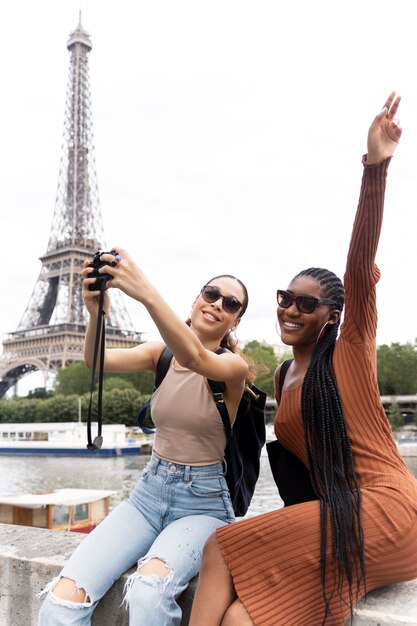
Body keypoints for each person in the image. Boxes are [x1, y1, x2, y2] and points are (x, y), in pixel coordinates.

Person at [188, 91, 417, 626]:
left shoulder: (350, 355)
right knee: (242, 616)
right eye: (284, 298)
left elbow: (360, 265)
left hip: (388, 512)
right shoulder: (286, 373)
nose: (291, 309)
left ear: (332, 316)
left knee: (222, 547)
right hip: (340, 520)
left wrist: (375, 169)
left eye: (307, 304)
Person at [37, 254, 251, 626]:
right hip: (147, 496)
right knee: (60, 603)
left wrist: (145, 292)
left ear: (235, 320)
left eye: (230, 303)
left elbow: (198, 357)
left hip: (203, 505)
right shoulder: (161, 354)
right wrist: (96, 315)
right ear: (197, 299)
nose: (217, 303)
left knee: (149, 592)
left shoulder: (233, 368)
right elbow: (95, 360)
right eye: (211, 293)